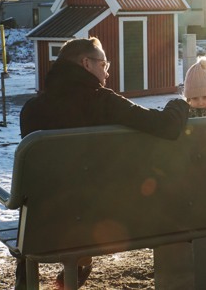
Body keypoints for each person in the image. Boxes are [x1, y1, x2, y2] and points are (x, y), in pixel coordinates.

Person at [18, 37, 190, 290]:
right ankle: (79, 263)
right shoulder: (104, 102)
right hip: (99, 217)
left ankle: (27, 281)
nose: (107, 71)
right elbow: (167, 126)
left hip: (42, 224)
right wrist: (179, 103)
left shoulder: (31, 110)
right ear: (86, 64)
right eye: (104, 64)